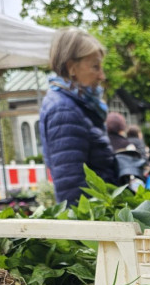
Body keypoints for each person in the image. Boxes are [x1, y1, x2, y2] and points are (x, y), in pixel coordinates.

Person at [39, 28, 118, 206]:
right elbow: (72, 192)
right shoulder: (63, 110)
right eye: (95, 66)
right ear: (71, 67)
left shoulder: (76, 105)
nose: (102, 76)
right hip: (93, 225)